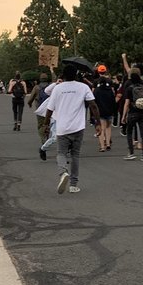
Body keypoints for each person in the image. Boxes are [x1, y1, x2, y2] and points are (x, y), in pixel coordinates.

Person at [43, 64, 100, 193]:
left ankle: (63, 172)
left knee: (61, 153)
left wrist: (46, 125)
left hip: (62, 127)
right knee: (75, 155)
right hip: (78, 127)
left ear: (63, 75)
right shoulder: (83, 87)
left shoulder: (58, 89)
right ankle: (73, 185)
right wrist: (98, 123)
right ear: (76, 75)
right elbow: (93, 105)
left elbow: (49, 110)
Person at [121, 66, 143, 161]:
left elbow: (127, 102)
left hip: (133, 111)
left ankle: (131, 153)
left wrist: (124, 115)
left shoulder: (128, 85)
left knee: (129, 132)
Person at [28, 72, 53, 159]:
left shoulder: (37, 87)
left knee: (40, 126)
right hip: (50, 109)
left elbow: (31, 98)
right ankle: (47, 137)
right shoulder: (51, 87)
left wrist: (29, 103)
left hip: (40, 110)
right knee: (48, 124)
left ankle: (43, 140)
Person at [92, 66, 117, 152]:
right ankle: (108, 144)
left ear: (98, 72)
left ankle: (102, 146)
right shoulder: (109, 83)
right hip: (109, 108)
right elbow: (113, 94)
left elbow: (92, 95)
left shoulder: (95, 83)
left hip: (100, 108)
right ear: (105, 71)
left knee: (101, 127)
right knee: (108, 126)